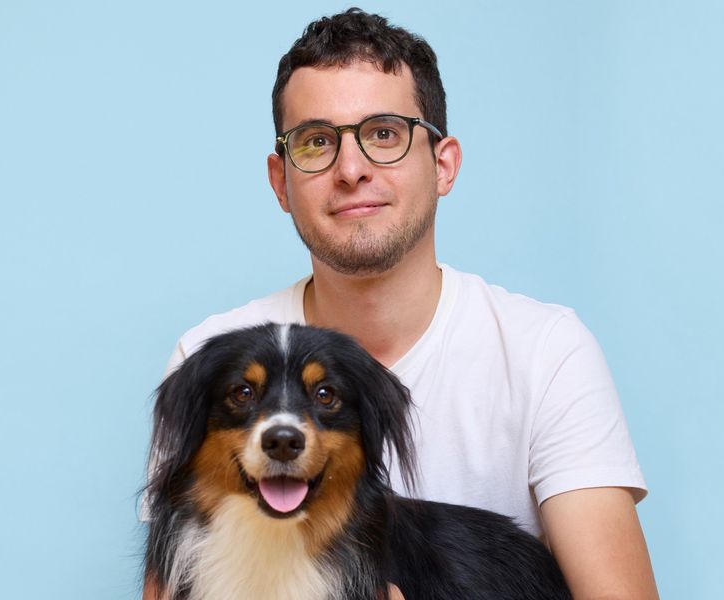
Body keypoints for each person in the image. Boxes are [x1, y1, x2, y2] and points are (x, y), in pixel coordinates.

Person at [144, 8, 657, 599]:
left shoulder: (547, 351)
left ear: (443, 164)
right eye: (316, 142)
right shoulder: (204, 355)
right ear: (281, 180)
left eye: (384, 133)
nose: (352, 169)